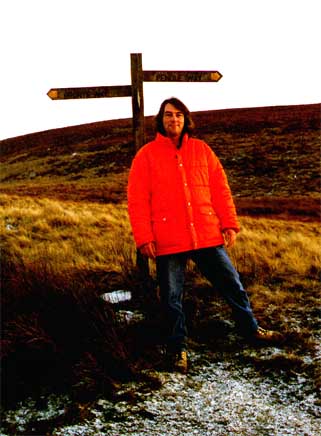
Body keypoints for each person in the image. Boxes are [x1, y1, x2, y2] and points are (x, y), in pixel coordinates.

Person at [127, 97, 281, 374]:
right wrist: (144, 237)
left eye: (179, 115)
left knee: (232, 284)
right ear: (160, 120)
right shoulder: (146, 156)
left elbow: (220, 189)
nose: (174, 120)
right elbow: (137, 200)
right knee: (171, 297)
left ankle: (251, 330)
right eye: (168, 115)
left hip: (206, 234)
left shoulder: (202, 151)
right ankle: (178, 350)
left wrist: (229, 224)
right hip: (168, 239)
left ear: (186, 120)